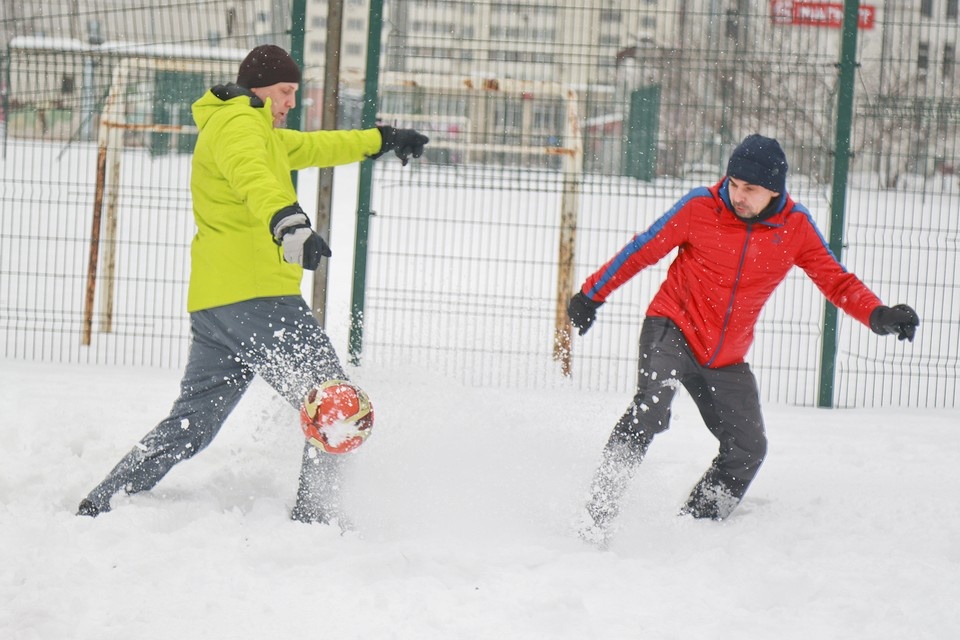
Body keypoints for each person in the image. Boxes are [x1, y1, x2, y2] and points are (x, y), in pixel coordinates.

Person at [77, 44, 429, 524]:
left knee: (192, 422)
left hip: (216, 304)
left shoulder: (248, 129)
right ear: (260, 88)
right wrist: (289, 224)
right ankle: (318, 518)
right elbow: (254, 179)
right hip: (259, 299)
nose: (290, 103)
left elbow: (317, 146)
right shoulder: (241, 127)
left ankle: (104, 500)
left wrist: (382, 139)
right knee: (334, 402)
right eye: (285, 92)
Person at [568, 133, 919, 546]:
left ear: (774, 189)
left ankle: (696, 528)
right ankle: (597, 516)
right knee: (650, 409)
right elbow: (644, 248)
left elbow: (836, 280)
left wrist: (878, 314)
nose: (737, 195)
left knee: (748, 448)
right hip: (672, 327)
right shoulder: (700, 206)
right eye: (733, 184)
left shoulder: (795, 227)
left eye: (749, 189)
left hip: (726, 356)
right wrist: (592, 294)